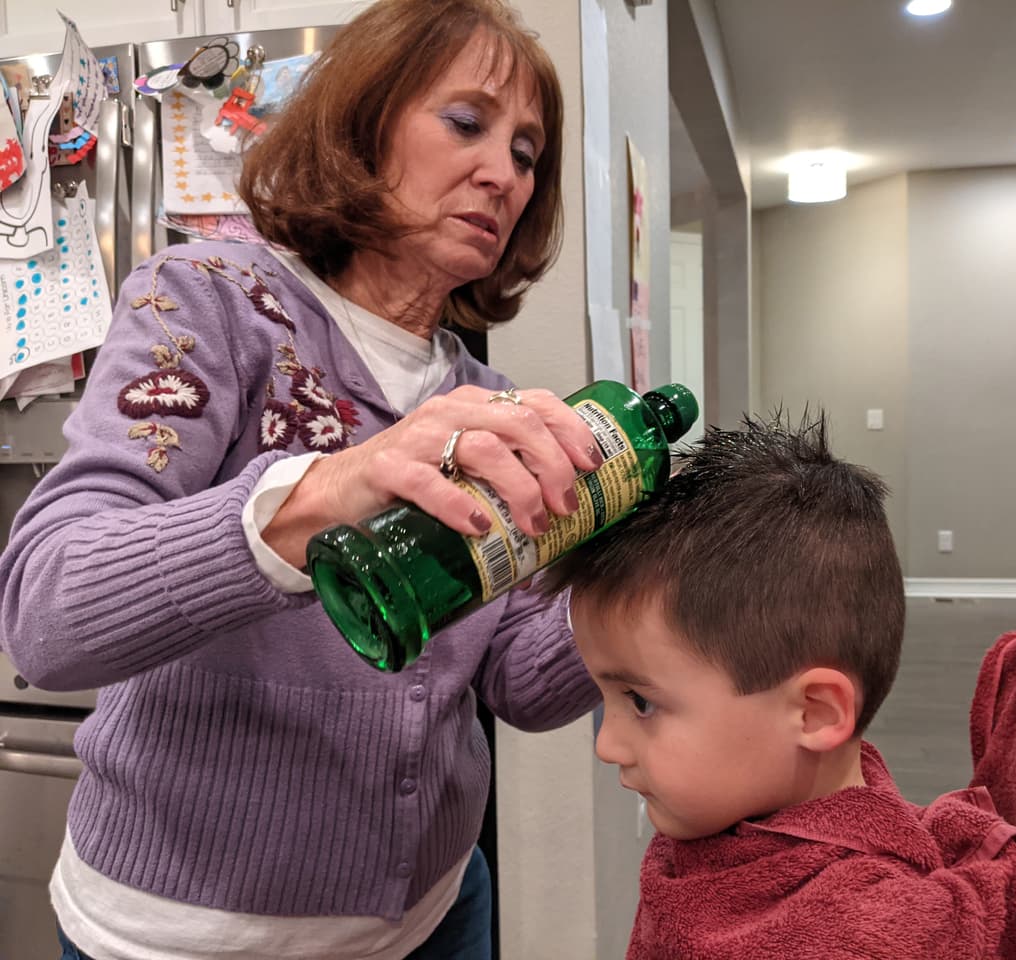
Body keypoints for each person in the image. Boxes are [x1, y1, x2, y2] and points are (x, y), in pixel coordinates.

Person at [0, 2, 602, 958]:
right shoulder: (206, 301)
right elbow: (48, 612)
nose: (503, 174)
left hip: (440, 911)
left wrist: (644, 579)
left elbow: (518, 682)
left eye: (528, 152)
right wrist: (339, 482)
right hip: (189, 935)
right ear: (361, 122)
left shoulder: (487, 398)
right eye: (467, 122)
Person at [546, 416, 1016, 960]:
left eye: (639, 702)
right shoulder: (719, 816)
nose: (607, 746)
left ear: (814, 713)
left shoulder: (864, 935)